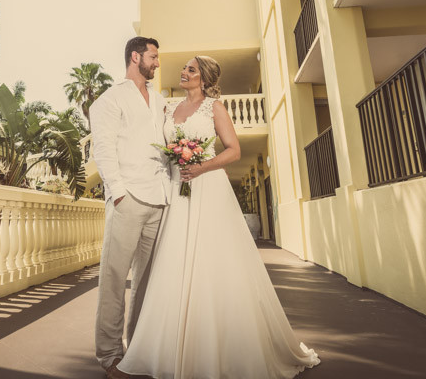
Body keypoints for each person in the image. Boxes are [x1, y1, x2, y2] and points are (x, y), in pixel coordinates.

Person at [114, 56, 320, 379]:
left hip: (208, 190)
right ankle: (162, 352)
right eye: (184, 68)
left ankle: (215, 354)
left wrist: (200, 166)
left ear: (205, 79)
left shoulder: (215, 108)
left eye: (191, 70)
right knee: (174, 265)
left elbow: (233, 150)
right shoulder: (169, 109)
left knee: (212, 265)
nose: (183, 72)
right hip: (177, 193)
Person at [90, 37, 172, 377]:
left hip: (160, 198)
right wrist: (118, 192)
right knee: (114, 279)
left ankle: (136, 350)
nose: (156, 63)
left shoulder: (160, 100)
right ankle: (109, 357)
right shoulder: (109, 100)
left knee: (146, 283)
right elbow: (104, 149)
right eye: (153, 57)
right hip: (128, 199)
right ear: (135, 57)